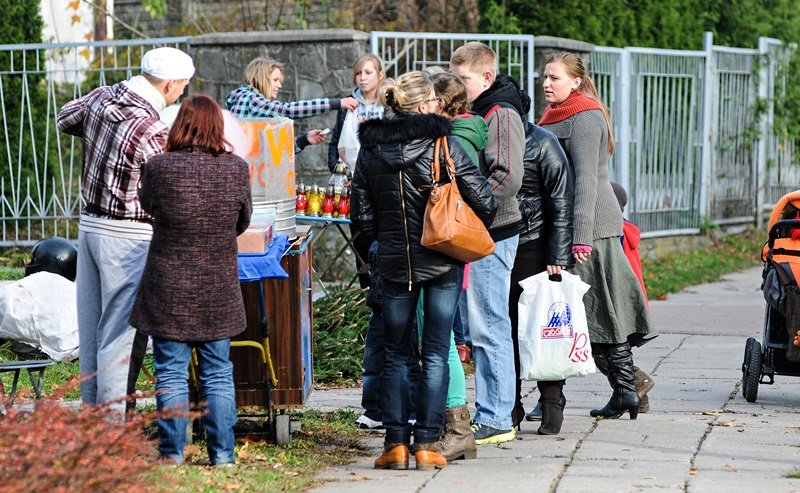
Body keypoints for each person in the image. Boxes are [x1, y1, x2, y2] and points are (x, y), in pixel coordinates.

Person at [352, 71, 496, 471]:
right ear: (422, 105)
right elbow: (485, 201)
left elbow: (360, 217)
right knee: (434, 352)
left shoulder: (370, 150)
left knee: (396, 354)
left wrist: (380, 249)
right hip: (442, 262)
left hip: (395, 264)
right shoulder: (442, 143)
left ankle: (395, 444)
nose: (436, 105)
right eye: (432, 99)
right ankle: (428, 445)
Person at [56, 47, 194, 418]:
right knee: (119, 335)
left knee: (91, 330)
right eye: (181, 87)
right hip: (128, 235)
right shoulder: (151, 129)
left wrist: (99, 134)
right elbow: (169, 182)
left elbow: (64, 119)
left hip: (89, 226)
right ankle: (111, 427)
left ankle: (91, 413)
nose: (181, 94)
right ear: (167, 84)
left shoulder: (103, 97)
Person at [129, 94, 252, 465]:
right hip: (218, 286)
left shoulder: (159, 167)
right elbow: (242, 222)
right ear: (218, 126)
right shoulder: (236, 169)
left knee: (170, 372)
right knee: (217, 373)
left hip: (169, 286)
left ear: (179, 125)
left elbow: (148, 206)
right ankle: (223, 455)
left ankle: (171, 454)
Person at [538, 53, 657, 420]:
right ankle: (627, 388)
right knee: (583, 313)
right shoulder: (556, 114)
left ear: (575, 82)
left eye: (554, 77)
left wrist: (581, 238)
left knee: (593, 312)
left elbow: (587, 180)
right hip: (574, 224)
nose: (546, 83)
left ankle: (628, 386)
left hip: (591, 227)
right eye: (544, 76)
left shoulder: (585, 117)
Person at [449, 42, 525, 445]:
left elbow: (508, 176)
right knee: (483, 323)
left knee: (489, 325)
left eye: (463, 80)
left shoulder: (501, 113)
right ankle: (495, 411)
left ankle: (496, 416)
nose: (459, 88)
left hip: (494, 232)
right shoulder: (479, 110)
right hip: (481, 230)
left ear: (486, 77)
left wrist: (469, 206)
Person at [497, 74, 575, 435]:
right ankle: (509, 404)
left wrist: (557, 254)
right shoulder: (492, 142)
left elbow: (562, 201)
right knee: (505, 329)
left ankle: (551, 402)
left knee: (546, 328)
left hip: (536, 246)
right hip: (499, 244)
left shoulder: (544, 143)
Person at [428, 71, 487, 460]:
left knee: (442, 338)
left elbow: (483, 195)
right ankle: (450, 424)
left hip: (442, 245)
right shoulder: (457, 134)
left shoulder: (452, 139)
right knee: (441, 337)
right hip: (443, 247)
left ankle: (457, 426)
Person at [225, 57, 358, 152]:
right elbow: (288, 110)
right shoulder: (251, 99)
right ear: (261, 78)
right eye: (275, 80)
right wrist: (336, 103)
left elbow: (269, 151)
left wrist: (304, 140)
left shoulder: (252, 104)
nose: (279, 85)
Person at [609, 181, 656, 413]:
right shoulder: (626, 229)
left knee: (605, 351)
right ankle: (638, 397)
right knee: (615, 349)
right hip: (631, 300)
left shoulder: (614, 232)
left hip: (621, 300)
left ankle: (638, 382)